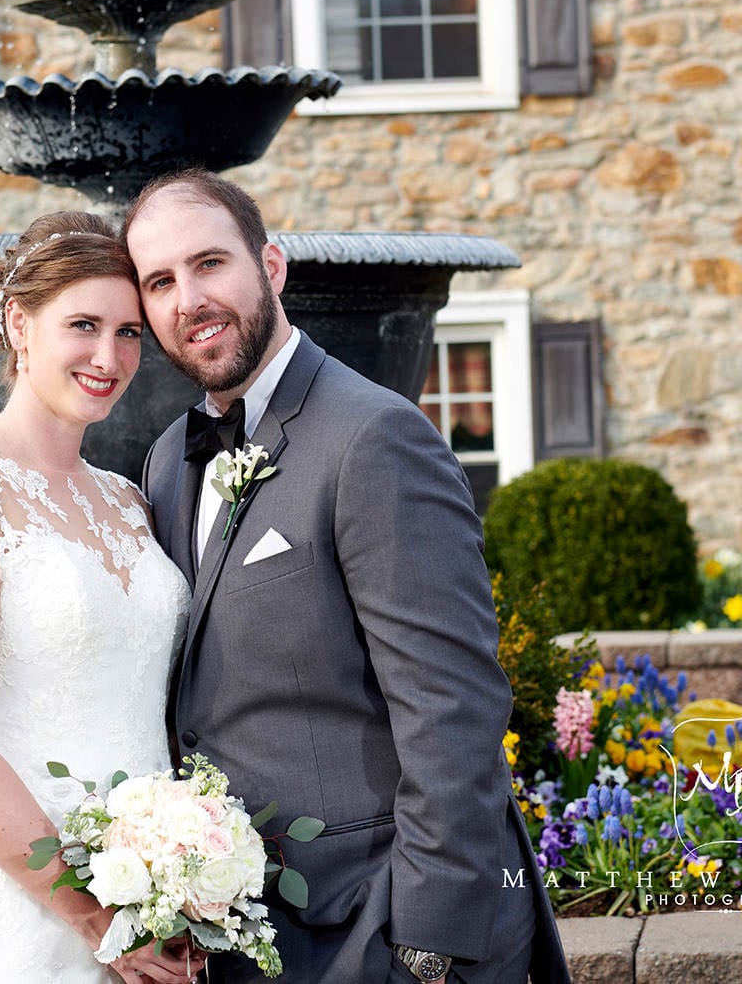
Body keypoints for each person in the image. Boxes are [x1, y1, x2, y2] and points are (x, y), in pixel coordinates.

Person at [125, 171, 572, 984]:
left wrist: (430, 946)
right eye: (160, 281)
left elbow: (454, 709)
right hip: (251, 935)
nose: (188, 298)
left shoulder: (374, 436)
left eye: (210, 263)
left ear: (273, 266)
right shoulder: (165, 462)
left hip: (384, 924)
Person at [0, 211, 198, 983]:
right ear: (20, 324)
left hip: (154, 890)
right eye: (84, 324)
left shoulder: (130, 501)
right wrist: (94, 916)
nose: (109, 356)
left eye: (129, 332)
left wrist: (184, 874)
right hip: (22, 899)